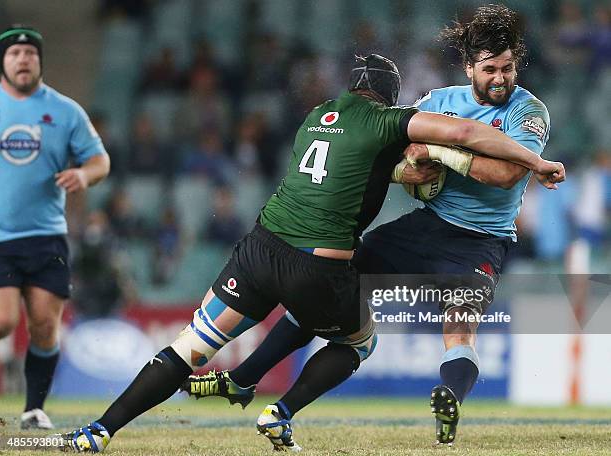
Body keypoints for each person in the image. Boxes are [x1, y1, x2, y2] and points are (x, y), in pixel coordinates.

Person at [57, 53, 562, 453]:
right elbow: (468, 133)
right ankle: (279, 411)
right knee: (357, 343)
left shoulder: (317, 117)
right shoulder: (390, 121)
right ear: (389, 97)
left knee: (189, 348)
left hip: (258, 250)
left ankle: (98, 431)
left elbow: (355, 169)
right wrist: (536, 161)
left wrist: (407, 173)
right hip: (315, 266)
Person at [181, 4, 557, 448]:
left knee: (460, 325)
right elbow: (386, 152)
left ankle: (448, 396)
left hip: (481, 242)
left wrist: (439, 156)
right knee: (330, 287)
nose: (500, 78)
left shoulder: (528, 111)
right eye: (491, 69)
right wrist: (404, 171)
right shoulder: (437, 102)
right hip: (423, 226)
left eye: (508, 68)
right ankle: (247, 381)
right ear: (469, 66)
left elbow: (510, 174)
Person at [0, 25, 110, 429]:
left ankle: (33, 409)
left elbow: (101, 161)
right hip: (0, 237)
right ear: (4, 62)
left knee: (45, 324)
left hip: (46, 235)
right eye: (14, 54)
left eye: (30, 53)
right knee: (4, 321)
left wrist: (84, 176)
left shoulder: (65, 111)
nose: (23, 60)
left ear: (40, 61)